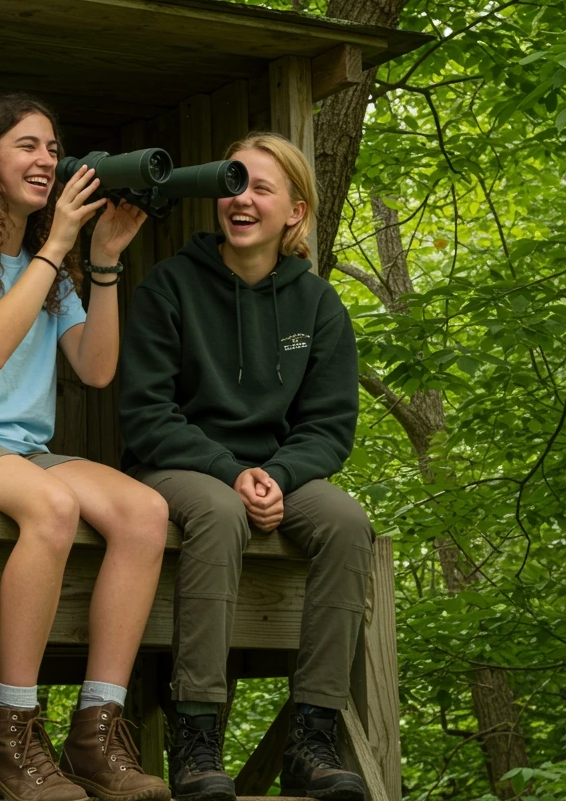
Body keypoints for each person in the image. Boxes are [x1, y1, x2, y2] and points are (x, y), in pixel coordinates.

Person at [0, 92, 171, 801]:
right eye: (27, 145)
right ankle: (12, 730)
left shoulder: (51, 267)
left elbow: (97, 368)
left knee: (145, 513)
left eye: (53, 148)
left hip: (19, 452)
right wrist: (56, 247)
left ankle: (96, 729)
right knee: (50, 507)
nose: (46, 159)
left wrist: (101, 259)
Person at [119, 132, 373, 801]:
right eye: (232, 184)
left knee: (348, 522)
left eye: (260, 188)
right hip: (178, 466)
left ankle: (313, 737)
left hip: (277, 472)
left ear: (294, 211)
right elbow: (147, 415)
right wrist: (232, 472)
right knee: (219, 510)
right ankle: (197, 736)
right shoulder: (170, 286)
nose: (240, 199)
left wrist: (279, 477)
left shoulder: (318, 304)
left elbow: (328, 427)